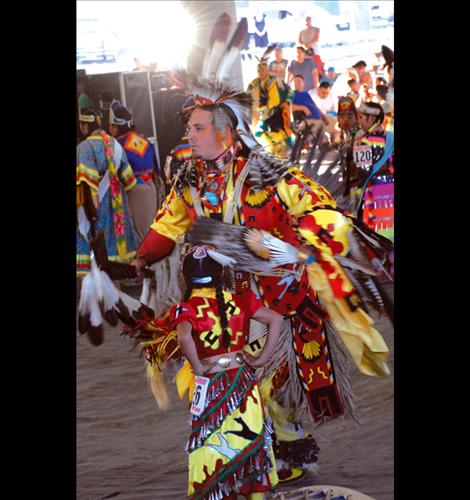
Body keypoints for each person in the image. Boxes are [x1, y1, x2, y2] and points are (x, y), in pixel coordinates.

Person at [131, 77, 390, 481]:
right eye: (190, 128)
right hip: (220, 301)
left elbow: (319, 208)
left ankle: (289, 452)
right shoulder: (190, 178)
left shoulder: (267, 173)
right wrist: (145, 254)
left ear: (225, 131)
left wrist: (305, 245)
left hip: (274, 295)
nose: (190, 135)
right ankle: (252, 453)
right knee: (234, 377)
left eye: (198, 127)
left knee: (275, 379)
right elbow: (169, 223)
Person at [170, 244, 282, 499]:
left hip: (211, 383)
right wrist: (262, 359)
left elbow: (185, 337)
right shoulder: (241, 299)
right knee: (250, 441)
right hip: (243, 380)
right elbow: (276, 319)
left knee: (213, 446)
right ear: (221, 274)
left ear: (188, 277)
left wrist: (198, 367)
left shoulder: (186, 307)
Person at [76, 108, 138, 275]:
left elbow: (86, 187)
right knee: (113, 261)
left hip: (96, 210)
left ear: (83, 126)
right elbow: (130, 181)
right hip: (118, 210)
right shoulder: (115, 144)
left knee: (96, 259)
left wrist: (92, 217)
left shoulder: (84, 148)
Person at [108, 100, 161, 243]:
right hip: (151, 190)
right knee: (150, 232)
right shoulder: (144, 140)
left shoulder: (116, 145)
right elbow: (157, 172)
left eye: (112, 126)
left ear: (117, 127)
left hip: (133, 192)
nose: (110, 130)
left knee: (138, 237)